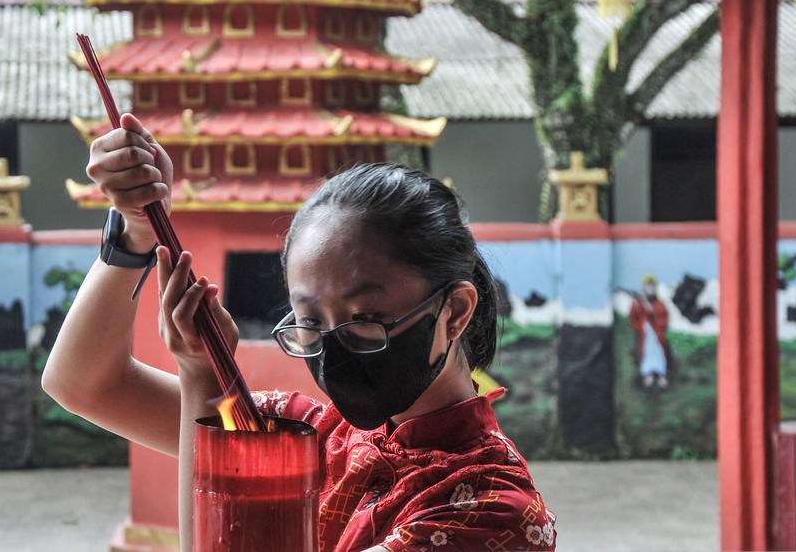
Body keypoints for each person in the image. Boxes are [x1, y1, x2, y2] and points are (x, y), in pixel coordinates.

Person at [42, 114, 556, 552]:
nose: (333, 350)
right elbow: (86, 384)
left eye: (364, 319)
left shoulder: (489, 509)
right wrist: (134, 235)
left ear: (455, 310)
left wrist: (203, 382)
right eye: (309, 322)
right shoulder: (312, 437)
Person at [627, 275, 669, 389]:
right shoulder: (639, 303)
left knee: (659, 354)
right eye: (647, 286)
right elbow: (633, 318)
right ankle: (648, 375)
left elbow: (664, 320)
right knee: (646, 354)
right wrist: (640, 326)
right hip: (645, 336)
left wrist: (653, 313)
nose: (649, 289)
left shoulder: (660, 304)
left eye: (651, 286)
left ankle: (661, 375)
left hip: (657, 335)